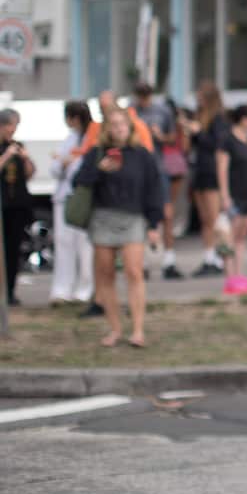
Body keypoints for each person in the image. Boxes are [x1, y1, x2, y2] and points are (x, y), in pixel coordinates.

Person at [74, 108, 164, 347]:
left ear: (130, 127)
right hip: (103, 217)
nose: (119, 128)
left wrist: (154, 222)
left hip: (133, 217)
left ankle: (138, 330)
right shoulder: (96, 153)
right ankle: (114, 329)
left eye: (123, 124)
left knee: (134, 272)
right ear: (107, 129)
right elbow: (79, 182)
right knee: (105, 274)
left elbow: (154, 189)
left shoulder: (141, 155)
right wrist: (99, 169)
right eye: (114, 125)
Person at [132, 83, 183, 278]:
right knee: (139, 213)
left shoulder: (162, 111)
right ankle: (142, 261)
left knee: (166, 213)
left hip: (158, 167)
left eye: (146, 96)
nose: (143, 100)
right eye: (140, 96)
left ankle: (169, 260)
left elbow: (173, 138)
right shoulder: (131, 112)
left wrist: (160, 136)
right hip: (138, 169)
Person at [180, 81, 229, 278]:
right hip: (198, 170)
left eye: (201, 97)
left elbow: (217, 145)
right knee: (204, 219)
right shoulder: (199, 116)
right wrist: (189, 131)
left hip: (211, 172)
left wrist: (198, 131)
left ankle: (219, 258)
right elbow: (192, 146)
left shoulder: (218, 119)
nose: (198, 101)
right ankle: (209, 257)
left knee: (214, 218)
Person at [49, 101, 95, 306]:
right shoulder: (69, 139)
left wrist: (72, 163)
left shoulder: (92, 138)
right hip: (64, 196)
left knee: (85, 244)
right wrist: (63, 163)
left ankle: (85, 288)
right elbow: (55, 168)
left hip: (84, 197)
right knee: (63, 242)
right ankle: (62, 289)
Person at [217, 105, 247, 296]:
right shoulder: (227, 140)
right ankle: (229, 278)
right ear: (244, 119)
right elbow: (222, 169)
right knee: (229, 237)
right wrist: (225, 196)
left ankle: (239, 274)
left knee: (241, 237)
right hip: (234, 194)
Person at [0, 109, 34, 305]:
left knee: (14, 250)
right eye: (12, 125)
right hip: (2, 205)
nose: (14, 130)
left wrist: (25, 158)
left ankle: (10, 291)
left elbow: (29, 173)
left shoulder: (17, 146)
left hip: (17, 205)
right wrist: (6, 156)